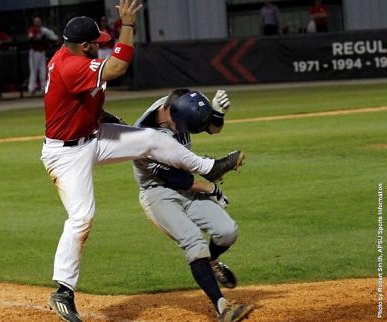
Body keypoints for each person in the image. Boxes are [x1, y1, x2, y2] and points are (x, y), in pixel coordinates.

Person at [40, 1, 244, 321]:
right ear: (84, 46)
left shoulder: (72, 58)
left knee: (151, 139)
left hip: (94, 135)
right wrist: (129, 25)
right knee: (82, 217)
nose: (100, 47)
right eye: (97, 44)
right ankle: (63, 290)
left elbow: (81, 100)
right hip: (66, 154)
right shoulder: (71, 66)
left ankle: (209, 167)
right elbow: (118, 67)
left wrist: (106, 120)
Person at [132, 89, 253, 322]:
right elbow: (177, 179)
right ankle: (223, 308)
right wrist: (212, 189)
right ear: (170, 116)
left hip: (187, 186)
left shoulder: (182, 105)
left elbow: (211, 128)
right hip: (159, 193)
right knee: (194, 242)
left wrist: (217, 113)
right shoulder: (143, 138)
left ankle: (211, 262)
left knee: (227, 232)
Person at [27, 17, 59, 95]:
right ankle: (32, 88)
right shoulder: (32, 30)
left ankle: (43, 87)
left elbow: (52, 36)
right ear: (34, 23)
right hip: (34, 52)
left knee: (43, 70)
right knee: (34, 70)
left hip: (42, 52)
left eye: (39, 22)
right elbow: (31, 38)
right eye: (36, 22)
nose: (38, 23)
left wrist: (56, 38)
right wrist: (40, 38)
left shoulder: (43, 30)